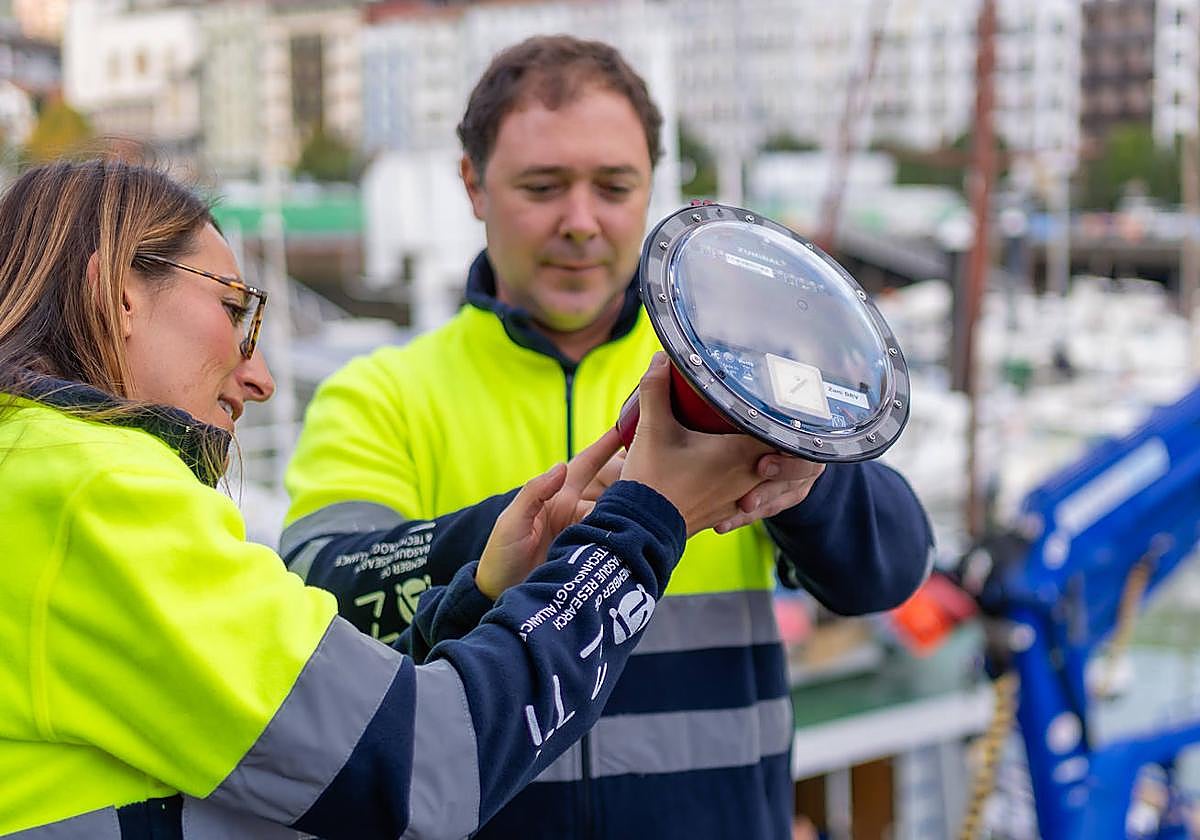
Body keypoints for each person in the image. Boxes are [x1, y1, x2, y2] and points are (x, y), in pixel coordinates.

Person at [0, 159, 785, 839]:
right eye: (236, 310)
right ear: (115, 290)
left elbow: (314, 751)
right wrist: (647, 520)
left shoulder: (32, 478)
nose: (261, 377)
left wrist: (484, 596)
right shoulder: (94, 493)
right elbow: (428, 771)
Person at [282, 35, 936, 839]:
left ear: (653, 186)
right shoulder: (381, 394)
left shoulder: (741, 379)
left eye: (615, 186)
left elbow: (891, 573)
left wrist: (802, 472)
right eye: (543, 186)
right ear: (473, 185)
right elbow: (321, 600)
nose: (582, 222)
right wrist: (518, 535)